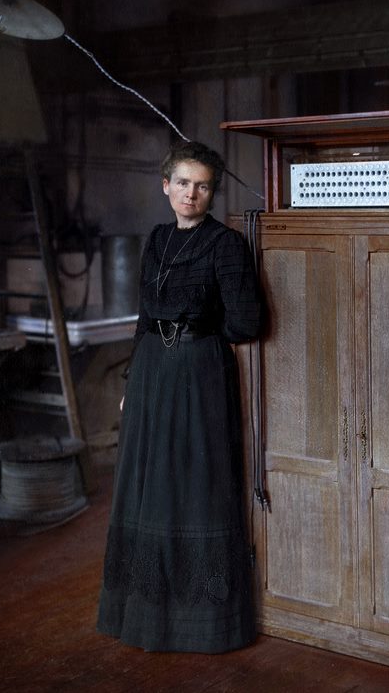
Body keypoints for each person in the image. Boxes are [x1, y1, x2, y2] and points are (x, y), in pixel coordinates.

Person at [97, 141, 263, 653]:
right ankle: (143, 615)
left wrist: (198, 330)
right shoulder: (157, 239)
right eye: (183, 183)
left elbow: (249, 322)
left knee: (193, 485)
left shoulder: (226, 244)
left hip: (198, 373)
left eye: (203, 185)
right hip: (150, 373)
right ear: (165, 185)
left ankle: (199, 625)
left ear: (212, 192)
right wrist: (131, 385)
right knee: (147, 487)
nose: (192, 193)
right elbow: (145, 318)